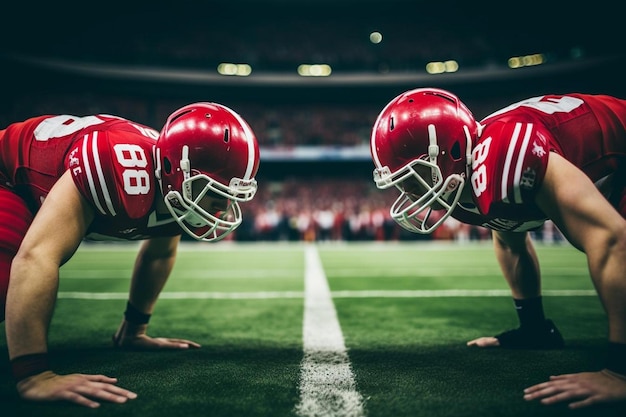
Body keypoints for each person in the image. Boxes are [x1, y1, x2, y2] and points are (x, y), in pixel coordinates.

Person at [369, 88, 626, 409]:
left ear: (452, 149)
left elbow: (611, 238)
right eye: (399, 181)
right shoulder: (470, 173)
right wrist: (532, 327)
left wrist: (619, 372)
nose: (406, 189)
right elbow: (509, 237)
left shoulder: (502, 152)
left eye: (414, 176)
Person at [1, 102, 260, 407]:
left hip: (35, 192)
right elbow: (37, 257)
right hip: (7, 175)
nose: (219, 209)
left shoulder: (169, 180)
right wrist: (35, 375)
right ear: (172, 170)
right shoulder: (120, 165)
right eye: (213, 193)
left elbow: (159, 254)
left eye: (227, 197)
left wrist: (134, 329)